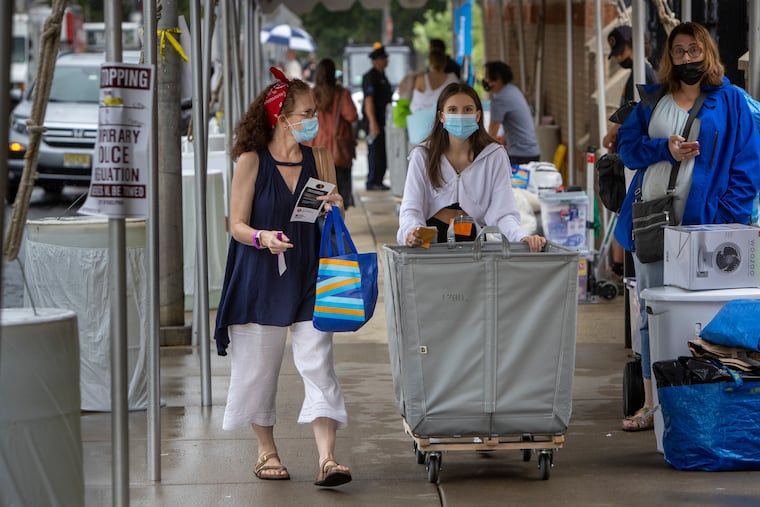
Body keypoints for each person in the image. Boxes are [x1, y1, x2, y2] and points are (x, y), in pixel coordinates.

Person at [614, 22, 760, 431]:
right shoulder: (652, 100)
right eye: (679, 52)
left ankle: (708, 396)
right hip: (653, 223)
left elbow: (748, 165)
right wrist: (665, 148)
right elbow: (627, 149)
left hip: (708, 228)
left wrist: (723, 218)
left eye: (694, 50)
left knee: (708, 313)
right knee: (651, 312)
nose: (687, 58)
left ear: (707, 52)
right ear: (670, 58)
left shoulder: (731, 101)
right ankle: (651, 403)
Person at [213, 67, 352, 487]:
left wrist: (335, 205)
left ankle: (327, 458)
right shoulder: (251, 161)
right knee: (258, 367)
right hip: (259, 272)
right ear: (280, 115)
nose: (315, 119)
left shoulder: (320, 157)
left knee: (319, 363)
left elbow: (331, 208)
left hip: (310, 273)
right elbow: (235, 223)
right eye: (307, 112)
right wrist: (262, 237)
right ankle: (266, 451)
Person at [398, 82, 546, 252]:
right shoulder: (423, 155)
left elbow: (504, 212)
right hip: (429, 241)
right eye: (453, 110)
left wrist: (521, 236)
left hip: (475, 241)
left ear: (478, 115)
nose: (460, 115)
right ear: (441, 116)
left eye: (468, 109)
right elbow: (411, 208)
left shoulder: (494, 155)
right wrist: (412, 232)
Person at [602, 25, 659, 277]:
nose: (619, 57)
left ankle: (621, 265)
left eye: (621, 50)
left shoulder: (643, 74)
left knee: (627, 207)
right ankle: (620, 265)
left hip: (639, 156)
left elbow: (631, 113)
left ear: (632, 44)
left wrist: (611, 134)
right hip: (632, 152)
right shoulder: (638, 73)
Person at [307, 58, 358, 208]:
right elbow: (352, 115)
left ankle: (323, 224)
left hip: (316, 147)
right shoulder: (342, 94)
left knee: (319, 193)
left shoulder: (311, 94)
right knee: (339, 193)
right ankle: (337, 223)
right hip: (338, 151)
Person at [482, 61, 541, 165]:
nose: (485, 81)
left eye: (487, 77)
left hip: (520, 156)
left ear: (497, 78)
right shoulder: (513, 90)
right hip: (532, 151)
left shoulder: (500, 100)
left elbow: (491, 134)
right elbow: (514, 123)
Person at [362, 44, 393, 190]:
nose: (387, 60)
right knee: (375, 152)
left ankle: (379, 180)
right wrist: (373, 122)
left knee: (382, 151)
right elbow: (369, 100)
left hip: (383, 119)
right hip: (374, 120)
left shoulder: (383, 76)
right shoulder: (371, 77)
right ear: (377, 60)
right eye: (384, 58)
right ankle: (372, 181)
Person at [409, 48, 459, 113]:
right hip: (443, 117)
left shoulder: (421, 79)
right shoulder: (453, 78)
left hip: (420, 119)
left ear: (430, 62)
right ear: (445, 62)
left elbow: (415, 100)